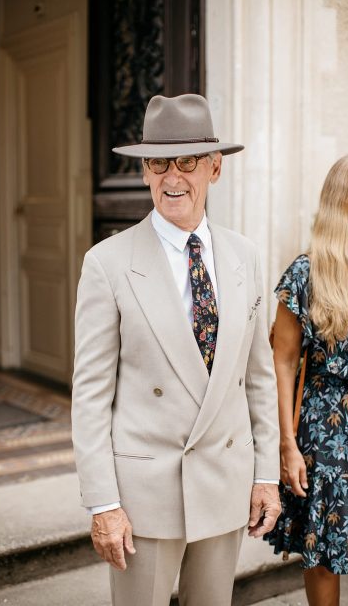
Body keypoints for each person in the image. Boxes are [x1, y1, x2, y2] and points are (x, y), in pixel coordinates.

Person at [72, 93, 281, 606]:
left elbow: (257, 376)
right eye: (158, 162)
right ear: (144, 172)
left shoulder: (246, 256)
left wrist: (265, 475)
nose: (172, 176)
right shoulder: (107, 263)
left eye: (186, 161)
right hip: (143, 495)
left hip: (224, 479)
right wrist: (103, 502)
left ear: (214, 168)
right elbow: (91, 396)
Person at [265, 153, 348, 606]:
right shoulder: (307, 273)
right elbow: (282, 363)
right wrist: (287, 444)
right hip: (328, 434)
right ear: (339, 200)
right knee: (325, 552)